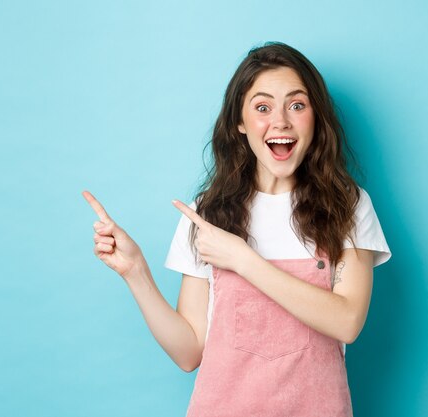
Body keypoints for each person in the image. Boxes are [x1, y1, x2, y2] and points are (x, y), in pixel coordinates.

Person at [83, 42, 391, 417]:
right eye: (262, 107)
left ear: (316, 117)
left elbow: (347, 322)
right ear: (239, 123)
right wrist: (136, 272)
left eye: (297, 105)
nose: (280, 121)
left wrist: (243, 260)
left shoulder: (347, 206)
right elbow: (189, 352)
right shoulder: (206, 215)